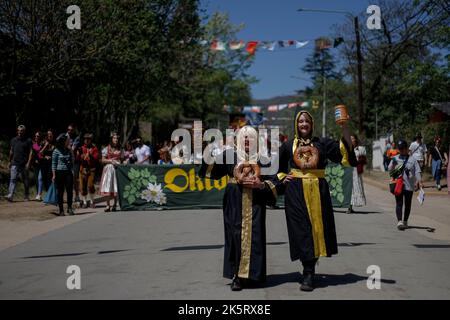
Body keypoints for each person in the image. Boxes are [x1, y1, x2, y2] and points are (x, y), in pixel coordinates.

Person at [275, 109, 357, 291]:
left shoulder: (323, 143)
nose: (303, 124)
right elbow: (278, 168)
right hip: (295, 191)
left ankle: (310, 267)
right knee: (301, 229)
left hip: (318, 189)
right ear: (296, 124)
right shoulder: (288, 146)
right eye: (300, 121)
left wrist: (344, 128)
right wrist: (282, 177)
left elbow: (344, 155)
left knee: (316, 229)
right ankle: (308, 271)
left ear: (312, 124)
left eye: (307, 121)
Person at [199, 126, 278, 291]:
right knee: (234, 235)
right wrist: (206, 147)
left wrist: (261, 184)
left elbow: (274, 182)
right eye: (244, 137)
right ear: (238, 139)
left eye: (251, 137)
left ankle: (252, 275)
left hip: (256, 201)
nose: (247, 140)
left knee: (255, 235)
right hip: (234, 201)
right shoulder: (229, 155)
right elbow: (209, 171)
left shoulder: (263, 159)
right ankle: (236, 275)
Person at [388, 140, 423, 231]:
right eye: (400, 149)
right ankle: (399, 221)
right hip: (398, 184)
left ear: (407, 148)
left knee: (408, 204)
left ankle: (405, 221)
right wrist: (393, 166)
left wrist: (419, 181)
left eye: (403, 148)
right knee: (399, 203)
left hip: (409, 185)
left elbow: (417, 171)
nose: (402, 150)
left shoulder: (413, 159)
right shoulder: (395, 158)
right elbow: (389, 169)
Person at [5, 125, 33, 202]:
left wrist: (28, 163)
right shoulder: (13, 140)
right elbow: (11, 151)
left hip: (24, 164)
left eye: (21, 131)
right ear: (17, 131)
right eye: (19, 130)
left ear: (24, 131)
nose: (20, 132)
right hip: (15, 163)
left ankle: (26, 195)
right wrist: (9, 161)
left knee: (25, 180)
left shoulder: (28, 140)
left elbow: (31, 152)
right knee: (12, 179)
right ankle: (10, 195)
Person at [52, 134, 75, 216]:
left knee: (69, 191)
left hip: (68, 172)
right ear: (63, 141)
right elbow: (54, 164)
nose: (68, 142)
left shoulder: (69, 150)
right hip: (59, 173)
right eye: (67, 141)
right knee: (60, 192)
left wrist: (72, 152)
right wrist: (54, 175)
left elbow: (73, 160)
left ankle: (69, 208)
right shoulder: (56, 151)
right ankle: (61, 210)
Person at [99, 133, 122, 212]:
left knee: (115, 186)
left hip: (117, 169)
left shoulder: (120, 149)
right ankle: (107, 205)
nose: (116, 140)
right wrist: (110, 161)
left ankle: (115, 204)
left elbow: (122, 159)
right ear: (111, 139)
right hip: (109, 169)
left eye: (117, 138)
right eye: (114, 138)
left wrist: (123, 161)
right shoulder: (106, 148)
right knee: (107, 186)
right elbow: (102, 160)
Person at [77, 133, 99, 208]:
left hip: (91, 169)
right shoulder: (81, 148)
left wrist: (90, 155)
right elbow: (77, 158)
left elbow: (96, 159)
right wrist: (81, 156)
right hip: (82, 169)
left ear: (90, 140)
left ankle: (92, 201)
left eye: (88, 139)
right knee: (82, 186)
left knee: (90, 185)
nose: (86, 140)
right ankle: (85, 202)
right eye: (85, 139)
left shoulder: (94, 148)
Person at [348, 135, 367, 213]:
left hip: (356, 172)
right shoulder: (347, 149)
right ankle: (349, 207)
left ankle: (350, 207)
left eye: (353, 139)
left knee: (355, 188)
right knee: (348, 189)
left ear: (356, 140)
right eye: (350, 139)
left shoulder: (361, 149)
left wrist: (359, 161)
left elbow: (364, 160)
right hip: (348, 171)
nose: (352, 140)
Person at [67, 124, 82, 203]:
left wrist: (68, 147)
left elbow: (72, 148)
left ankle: (76, 196)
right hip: (66, 161)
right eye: (68, 130)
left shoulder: (76, 138)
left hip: (74, 161)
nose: (70, 131)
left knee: (75, 179)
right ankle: (69, 196)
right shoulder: (65, 136)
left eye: (71, 130)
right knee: (67, 179)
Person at [31, 131, 44, 201]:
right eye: (35, 136)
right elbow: (34, 154)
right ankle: (38, 194)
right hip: (36, 165)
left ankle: (39, 194)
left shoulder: (43, 144)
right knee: (37, 180)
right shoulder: (34, 145)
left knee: (40, 178)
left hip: (42, 164)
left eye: (38, 136)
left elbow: (41, 154)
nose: (36, 137)